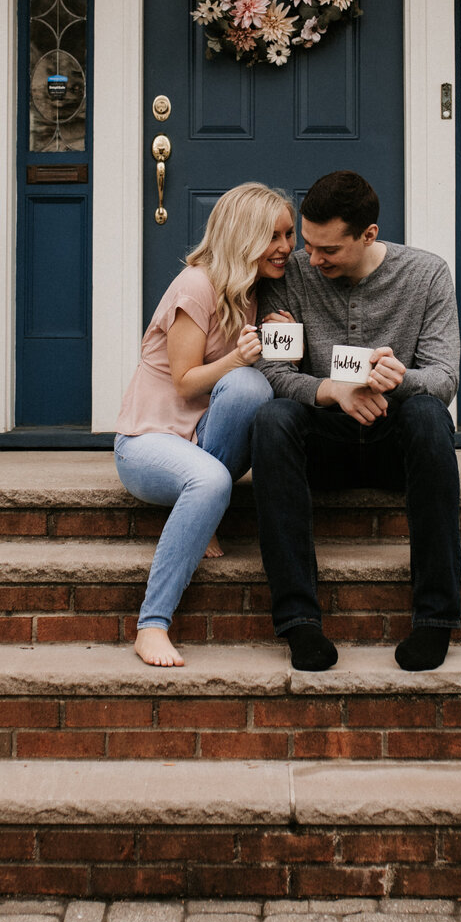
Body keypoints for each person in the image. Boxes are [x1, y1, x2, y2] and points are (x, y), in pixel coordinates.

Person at [253, 169, 461, 673]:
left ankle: (436, 619)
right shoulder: (292, 274)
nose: (310, 259)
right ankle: (298, 622)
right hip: (323, 440)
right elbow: (275, 373)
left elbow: (445, 377)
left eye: (328, 250)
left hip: (396, 438)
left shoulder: (427, 274)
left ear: (368, 235)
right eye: (307, 244)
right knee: (271, 418)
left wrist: (402, 379)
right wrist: (333, 391)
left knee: (431, 415)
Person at [114, 182, 295, 667]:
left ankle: (203, 505)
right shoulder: (196, 286)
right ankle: (151, 625)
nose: (285, 247)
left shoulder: (257, 292)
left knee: (252, 390)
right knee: (212, 476)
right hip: (148, 441)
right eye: (273, 236)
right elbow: (186, 380)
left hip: (201, 440)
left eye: (289, 234)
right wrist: (240, 356)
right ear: (244, 237)